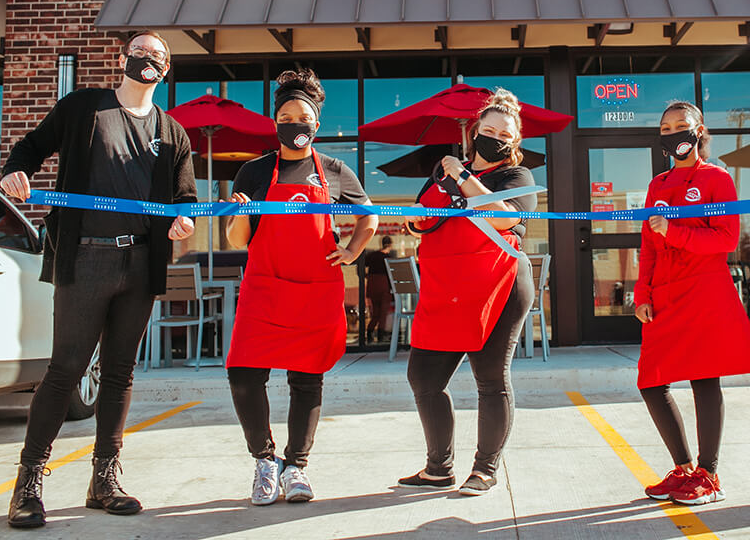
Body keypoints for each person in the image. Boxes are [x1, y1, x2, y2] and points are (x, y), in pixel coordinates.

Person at [0, 31, 197, 530]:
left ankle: (104, 479)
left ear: (167, 70)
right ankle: (28, 484)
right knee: (65, 369)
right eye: (141, 52)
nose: (148, 60)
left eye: (158, 56)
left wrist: (184, 220)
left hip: (140, 264)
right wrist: (14, 173)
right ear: (122, 59)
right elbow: (29, 149)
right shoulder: (84, 108)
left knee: (119, 374)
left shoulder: (173, 133)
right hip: (84, 260)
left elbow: (185, 199)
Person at [223, 69, 377, 506]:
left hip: (314, 286)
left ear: (316, 124)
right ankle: (265, 461)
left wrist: (351, 250)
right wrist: (239, 214)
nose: (295, 122)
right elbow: (239, 241)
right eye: (286, 115)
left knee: (306, 379)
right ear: (276, 123)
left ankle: (296, 467)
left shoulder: (334, 170)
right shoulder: (253, 173)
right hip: (265, 285)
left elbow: (370, 216)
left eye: (303, 115)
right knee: (243, 373)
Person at [398, 89, 538, 496]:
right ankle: (438, 468)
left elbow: (508, 219)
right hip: (447, 285)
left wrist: (462, 178)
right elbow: (418, 220)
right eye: (488, 129)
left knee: (490, 378)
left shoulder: (517, 177)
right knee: (423, 376)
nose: (494, 137)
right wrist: (420, 214)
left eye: (504, 134)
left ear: (514, 143)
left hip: (499, 285)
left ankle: (485, 469)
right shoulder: (441, 171)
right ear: (475, 130)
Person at [634, 101, 750, 506]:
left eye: (682, 126)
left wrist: (675, 232)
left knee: (703, 378)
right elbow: (648, 244)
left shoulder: (717, 178)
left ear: (698, 131)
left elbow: (726, 240)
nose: (675, 133)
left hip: (704, 289)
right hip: (665, 292)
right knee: (651, 381)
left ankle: (708, 475)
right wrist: (642, 292)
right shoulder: (657, 185)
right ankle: (683, 469)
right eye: (666, 127)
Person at [364, 235, 395, 344]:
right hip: (383, 284)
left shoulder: (372, 255)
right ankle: (381, 336)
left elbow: (361, 265)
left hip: (372, 284)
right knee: (383, 312)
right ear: (390, 245)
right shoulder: (388, 258)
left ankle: (370, 332)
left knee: (375, 311)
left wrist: (365, 276)